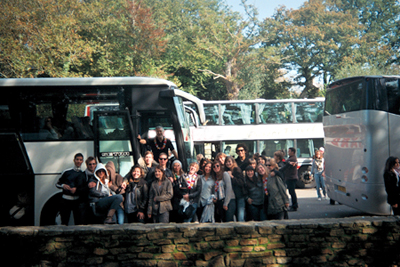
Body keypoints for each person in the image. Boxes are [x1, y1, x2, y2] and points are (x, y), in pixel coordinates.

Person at [55, 153, 86, 225]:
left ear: (82, 161)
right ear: (74, 160)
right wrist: (63, 185)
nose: (78, 161)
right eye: (77, 159)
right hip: (65, 200)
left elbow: (84, 188)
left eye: (80, 160)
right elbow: (57, 184)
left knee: (78, 222)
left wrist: (77, 189)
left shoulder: (83, 174)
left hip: (77, 201)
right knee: (64, 221)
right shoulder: (66, 172)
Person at [225, 156, 246, 222]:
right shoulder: (226, 171)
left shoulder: (237, 169)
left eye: (229, 161)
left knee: (240, 216)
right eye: (226, 162)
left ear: (233, 162)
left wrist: (232, 177)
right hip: (232, 196)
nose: (228, 163)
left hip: (239, 195)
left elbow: (241, 182)